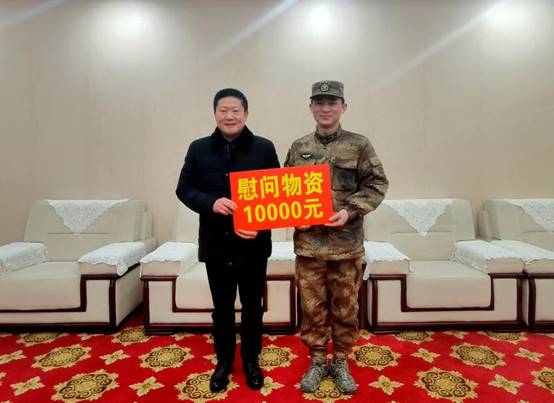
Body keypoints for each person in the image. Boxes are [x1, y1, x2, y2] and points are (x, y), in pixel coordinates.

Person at [284, 80, 388, 395]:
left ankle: (341, 360)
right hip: (309, 247)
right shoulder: (299, 147)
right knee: (312, 309)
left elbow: (376, 184)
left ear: (343, 107)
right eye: (320, 103)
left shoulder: (359, 145)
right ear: (311, 107)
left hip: (346, 246)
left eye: (332, 103)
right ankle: (317, 361)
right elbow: (285, 191)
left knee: (345, 309)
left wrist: (350, 210)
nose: (325, 108)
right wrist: (295, 216)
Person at [176, 88, 280, 392]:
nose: (229, 116)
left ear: (246, 114)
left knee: (252, 306)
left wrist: (259, 225)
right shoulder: (198, 148)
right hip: (216, 244)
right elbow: (184, 189)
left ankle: (251, 360)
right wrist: (211, 203)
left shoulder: (264, 148)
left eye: (236, 110)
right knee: (221, 308)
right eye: (223, 110)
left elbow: (276, 194)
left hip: (253, 245)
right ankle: (223, 362)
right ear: (215, 113)